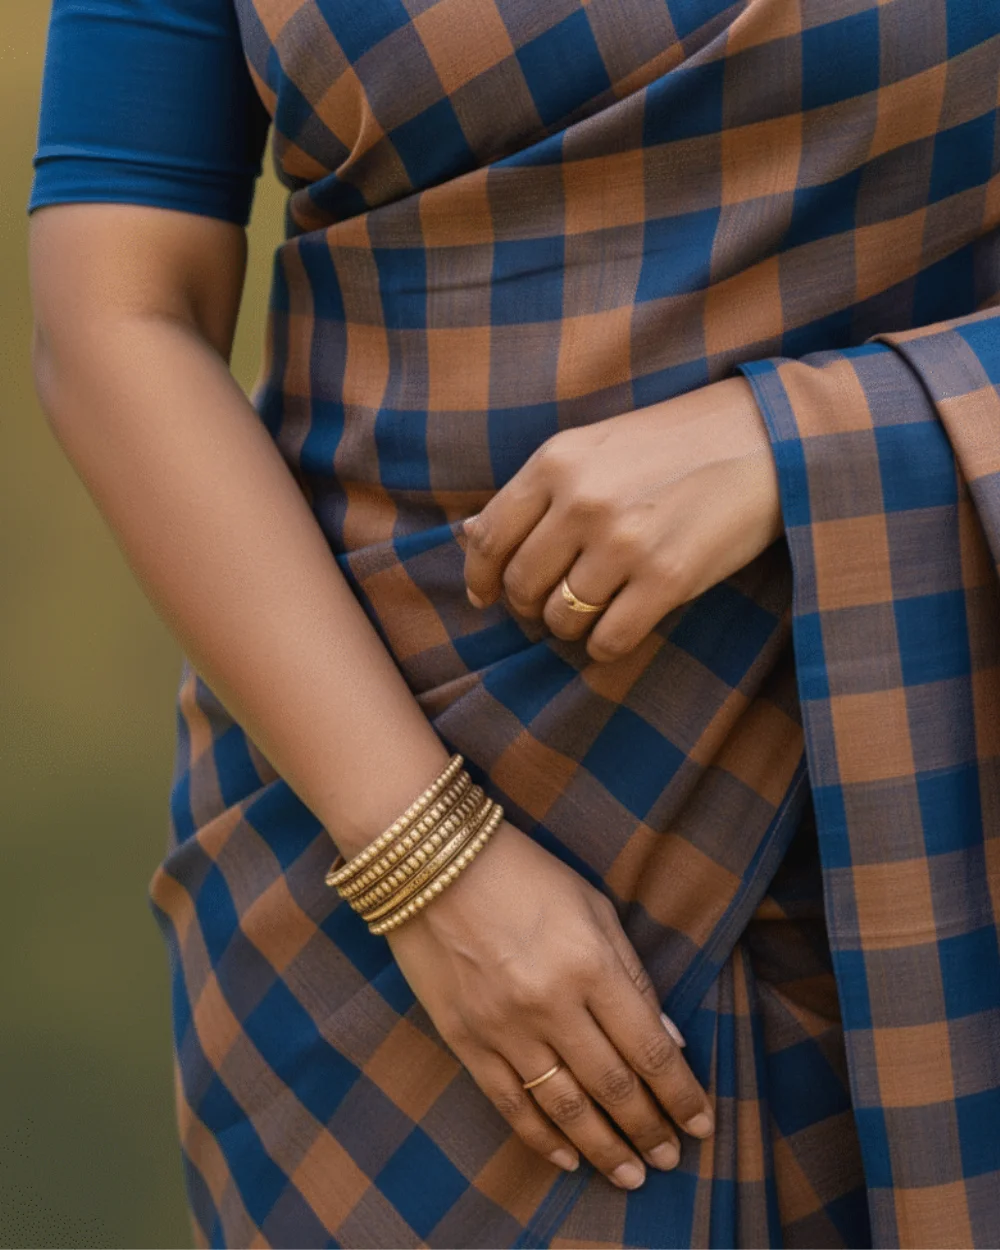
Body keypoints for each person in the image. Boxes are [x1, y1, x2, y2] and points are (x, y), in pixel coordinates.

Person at [26, 0, 1000, 1245]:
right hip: (381, 871)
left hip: (929, 784)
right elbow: (118, 320)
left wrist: (800, 437)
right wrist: (431, 866)